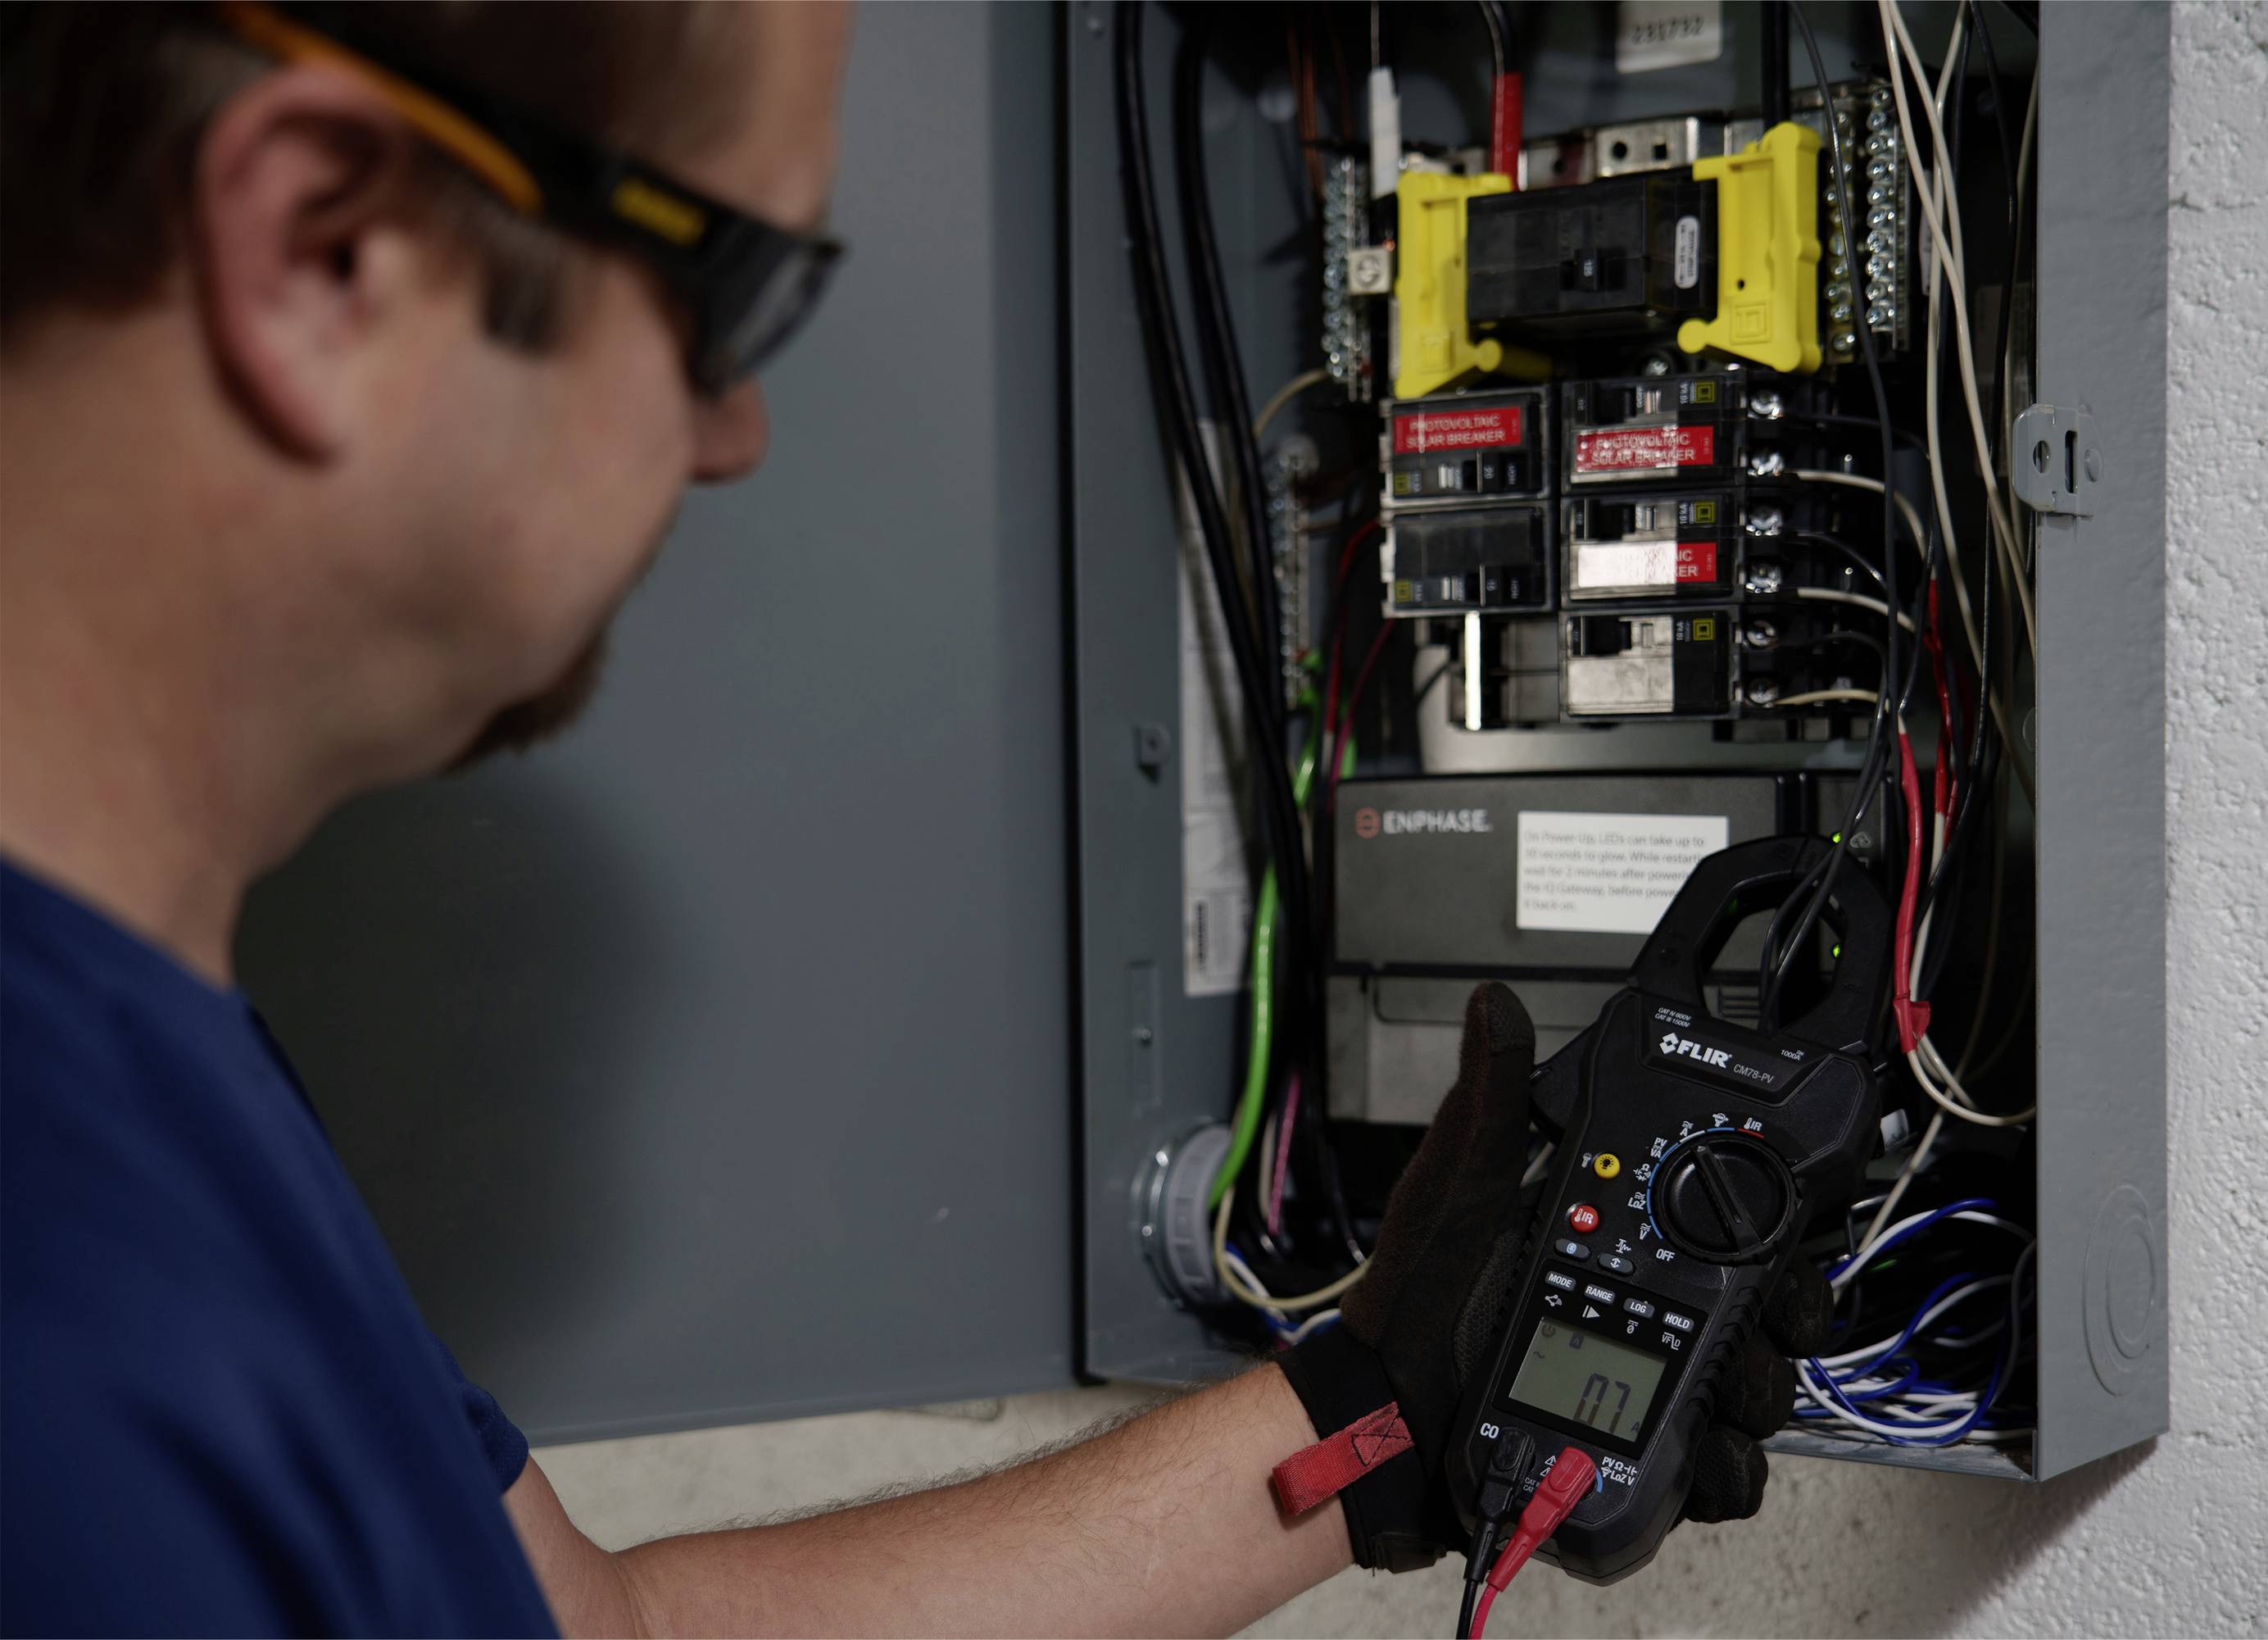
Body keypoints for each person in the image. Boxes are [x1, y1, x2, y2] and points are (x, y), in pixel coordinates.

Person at [0, 4, 1820, 1633]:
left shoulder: (148, 1077)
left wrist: (1379, 1407)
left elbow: (584, 1632)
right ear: (325, 248)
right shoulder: (70, 1299)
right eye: (733, 296)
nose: (737, 435)